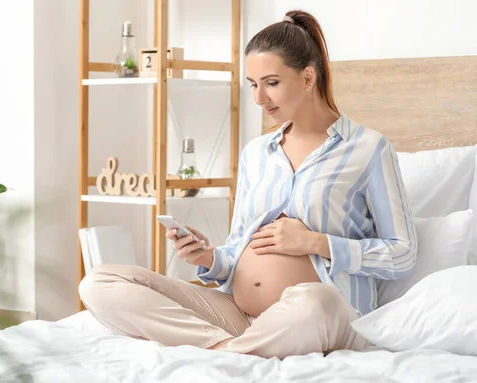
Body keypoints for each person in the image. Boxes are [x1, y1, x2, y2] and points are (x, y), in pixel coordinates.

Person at [79, 10, 417, 359]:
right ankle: (228, 349)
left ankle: (218, 350)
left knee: (316, 301)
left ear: (308, 77)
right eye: (253, 84)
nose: (258, 98)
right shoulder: (256, 153)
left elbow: (403, 252)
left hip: (320, 316)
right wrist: (209, 257)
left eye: (271, 83)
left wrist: (316, 243)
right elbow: (239, 249)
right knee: (100, 282)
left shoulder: (368, 149)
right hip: (239, 315)